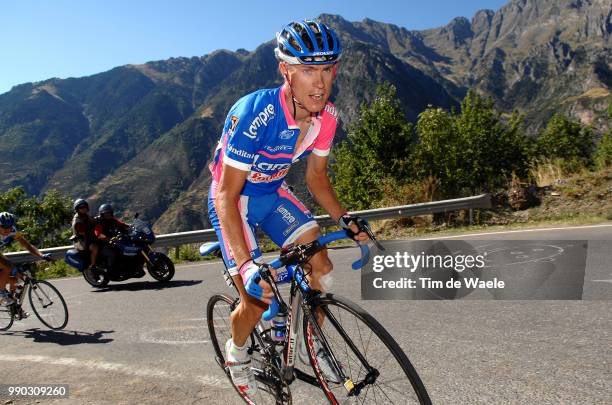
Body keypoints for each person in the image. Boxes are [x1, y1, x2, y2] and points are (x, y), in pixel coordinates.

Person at [208, 20, 370, 395]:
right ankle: (236, 352)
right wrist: (248, 265)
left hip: (272, 194)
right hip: (234, 202)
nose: (321, 81)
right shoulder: (256, 112)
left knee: (322, 264)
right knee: (255, 297)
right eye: (308, 70)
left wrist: (344, 219)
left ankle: (313, 343)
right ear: (286, 70)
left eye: (327, 69)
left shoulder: (326, 117)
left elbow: (316, 179)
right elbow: (225, 195)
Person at [0, 212, 52, 306]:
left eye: (10, 226)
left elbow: (27, 245)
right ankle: (2, 295)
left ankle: (14, 306)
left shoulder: (13, 231)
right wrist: (12, 268)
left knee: (15, 279)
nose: (7, 230)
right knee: (8, 267)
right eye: (4, 227)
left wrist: (41, 255)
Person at [93, 204, 130, 272]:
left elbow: (121, 224)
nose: (108, 214)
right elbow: (98, 234)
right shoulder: (99, 222)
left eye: (109, 212)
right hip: (102, 244)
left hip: (113, 241)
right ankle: (110, 270)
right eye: (106, 213)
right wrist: (108, 239)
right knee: (112, 254)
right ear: (102, 214)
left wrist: (130, 226)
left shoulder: (112, 220)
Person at [71, 199, 99, 271]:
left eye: (85, 207)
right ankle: (93, 265)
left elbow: (93, 221)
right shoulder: (77, 221)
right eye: (81, 208)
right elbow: (84, 234)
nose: (84, 209)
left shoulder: (85, 216)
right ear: (77, 209)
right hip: (82, 241)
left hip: (88, 238)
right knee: (95, 247)